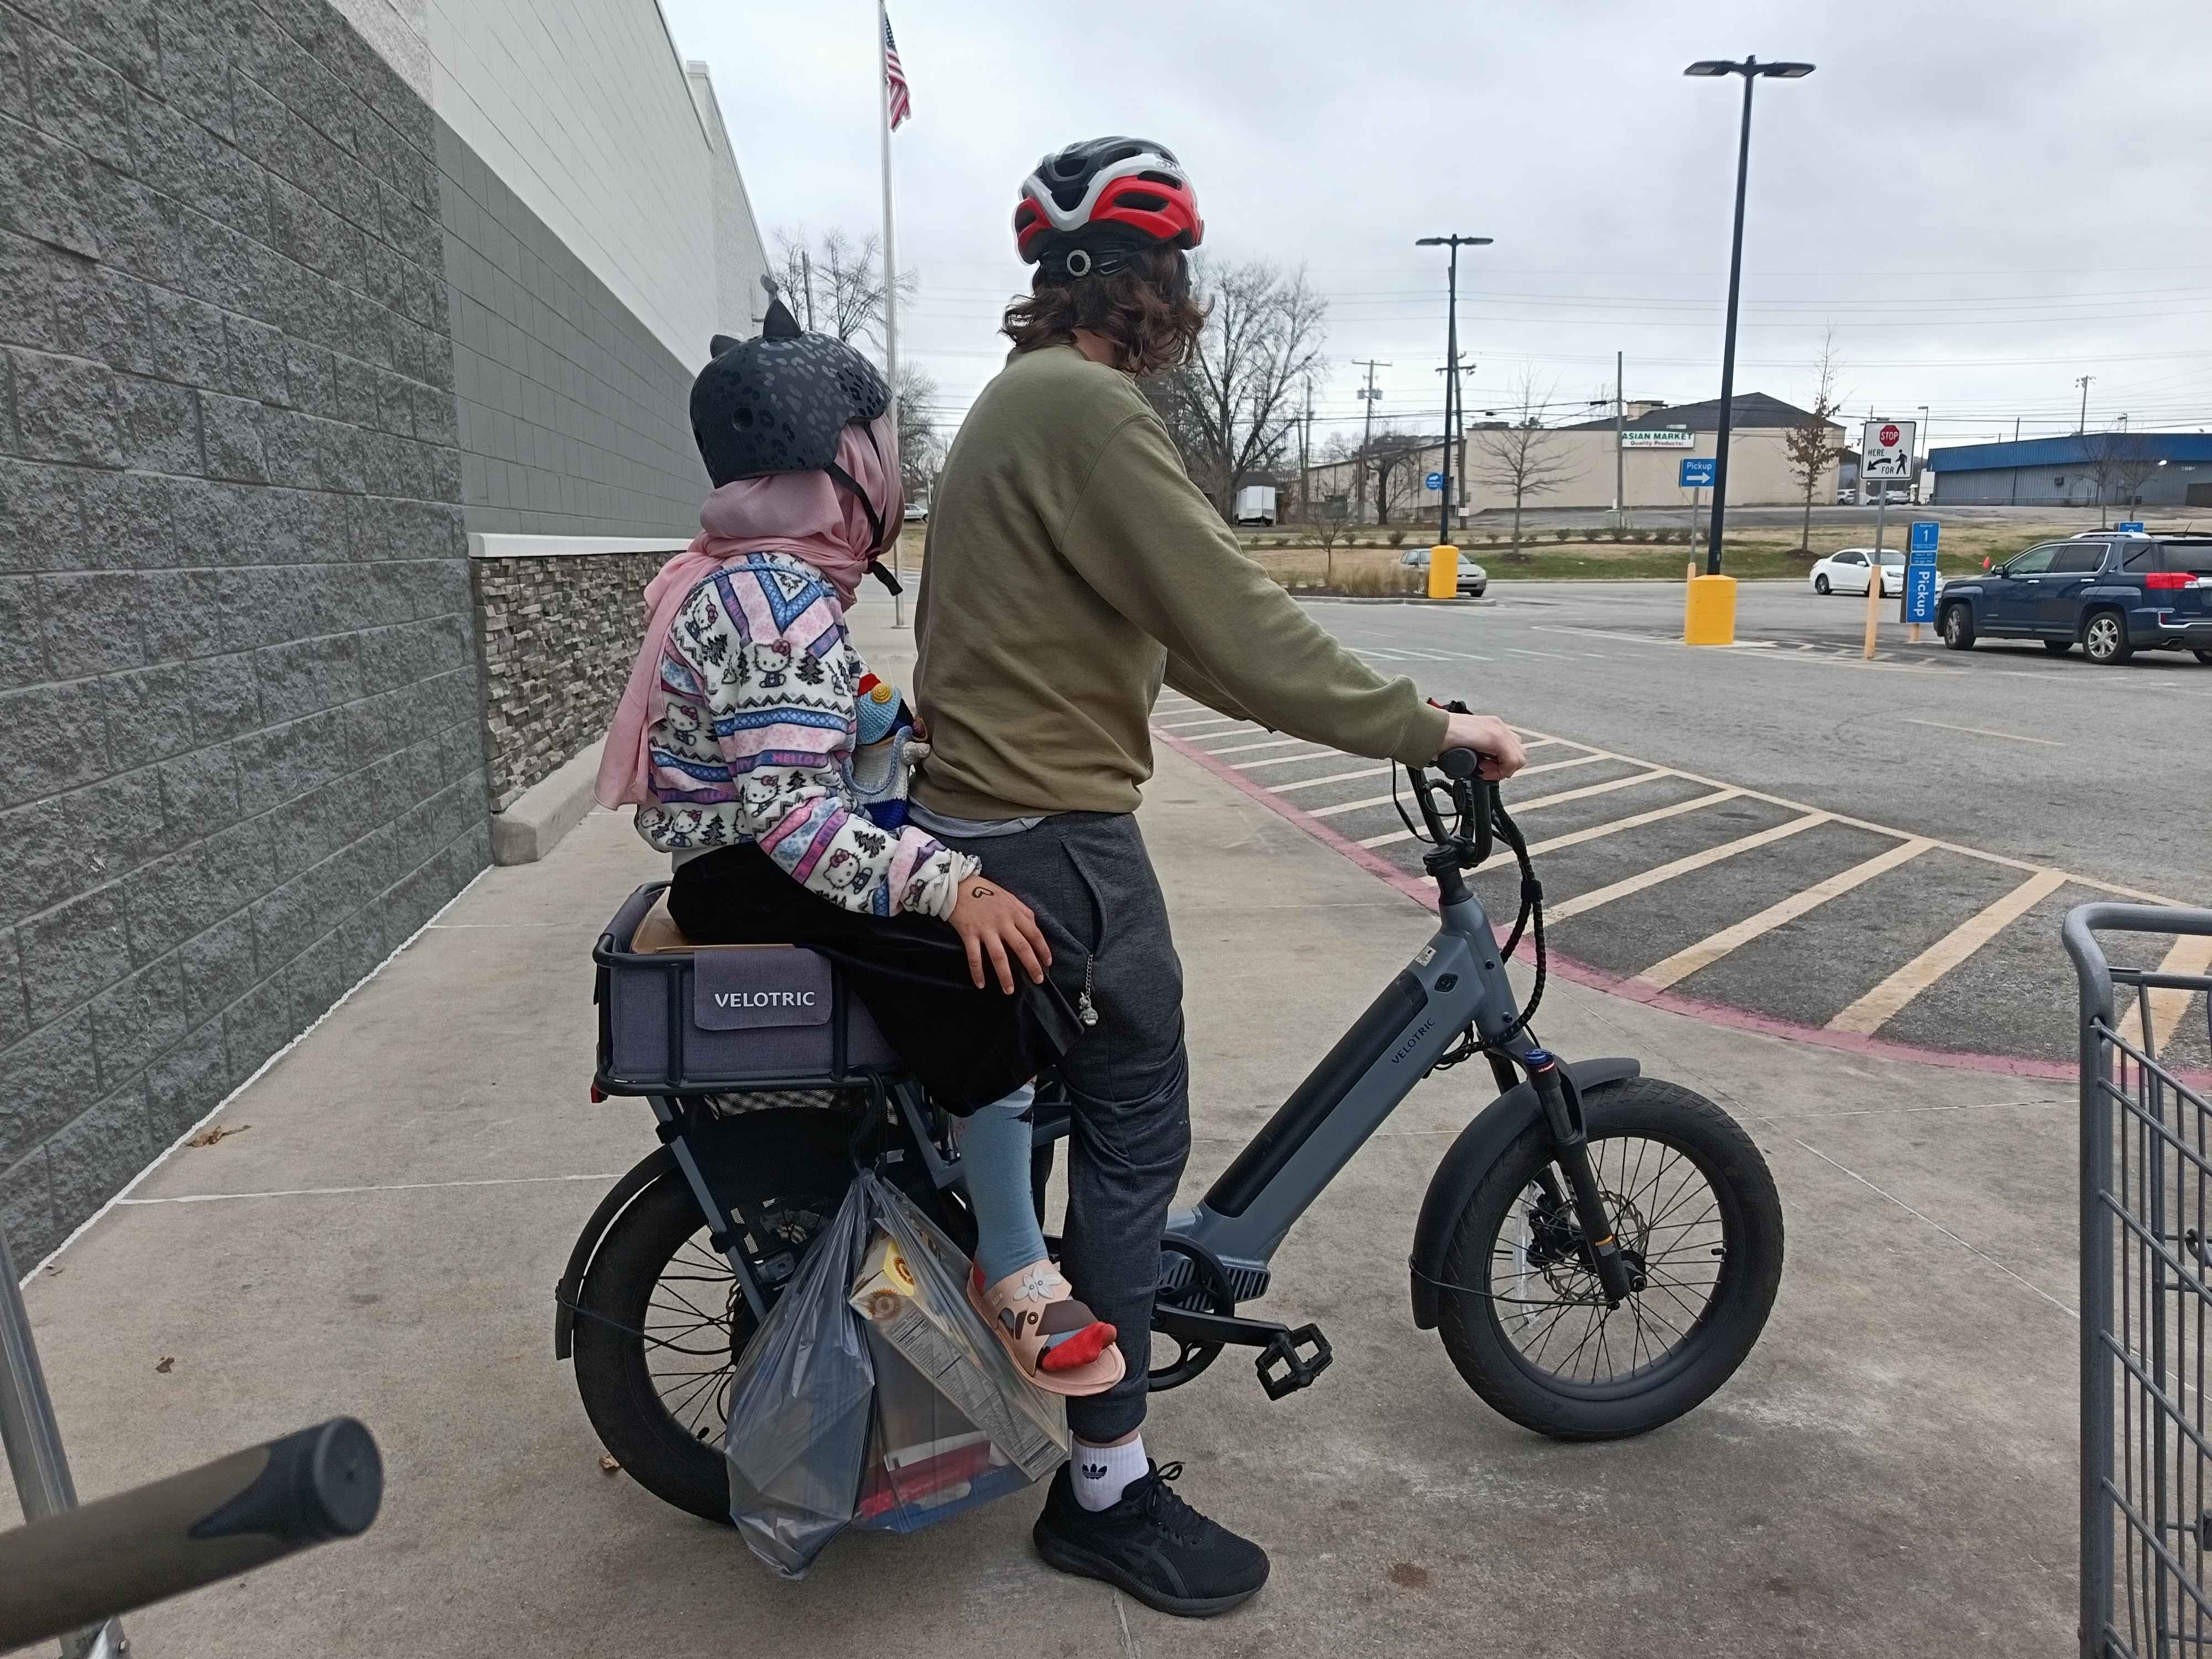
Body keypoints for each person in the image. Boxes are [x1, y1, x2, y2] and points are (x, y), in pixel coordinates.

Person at [911, 136, 1527, 1616]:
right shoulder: (1089, 409)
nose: (1184, 305)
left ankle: (1048, 1310)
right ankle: (1108, 1488)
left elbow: (1187, 639)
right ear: (1146, 284)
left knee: (1085, 1116)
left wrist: (1342, 700)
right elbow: (1236, 614)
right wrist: (1428, 725)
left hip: (990, 824)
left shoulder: (1022, 405)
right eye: (1177, 277)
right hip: (1056, 844)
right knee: (1136, 1134)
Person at [593, 298, 1123, 1394]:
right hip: (752, 871)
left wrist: (875, 712)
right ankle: (1013, 1270)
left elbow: (775, 712)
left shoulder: (746, 577)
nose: (894, 470)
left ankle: (965, 1171)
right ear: (840, 471)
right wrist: (955, 887)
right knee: (982, 968)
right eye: (879, 450)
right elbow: (793, 817)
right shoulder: (777, 598)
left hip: (739, 856)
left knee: (961, 928)